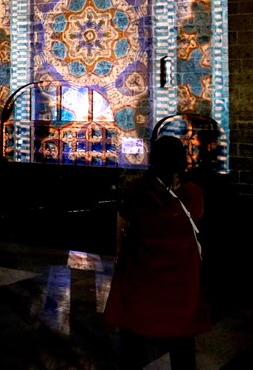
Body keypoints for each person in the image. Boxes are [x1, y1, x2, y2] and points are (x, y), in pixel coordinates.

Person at [103, 135, 210, 370]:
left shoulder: (139, 190)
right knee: (182, 335)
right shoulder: (192, 192)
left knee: (135, 333)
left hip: (142, 274)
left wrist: (120, 252)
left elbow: (123, 221)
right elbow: (198, 219)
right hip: (180, 277)